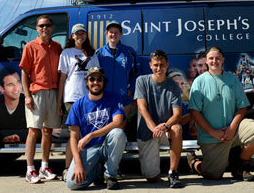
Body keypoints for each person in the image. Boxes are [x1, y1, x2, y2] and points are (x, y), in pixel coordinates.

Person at [188, 46, 254, 181]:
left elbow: (242, 107)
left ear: (223, 59)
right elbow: (195, 112)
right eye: (211, 58)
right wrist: (214, 132)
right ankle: (194, 162)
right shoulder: (199, 82)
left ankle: (241, 163)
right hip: (211, 137)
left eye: (217, 58)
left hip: (232, 132)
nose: (214, 61)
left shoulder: (232, 79)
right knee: (214, 175)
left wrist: (232, 128)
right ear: (206, 61)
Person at [65, 66, 127, 190]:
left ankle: (110, 176)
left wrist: (90, 135)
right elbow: (73, 137)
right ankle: (97, 171)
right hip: (89, 149)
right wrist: (78, 164)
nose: (95, 82)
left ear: (104, 82)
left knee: (118, 133)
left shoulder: (114, 98)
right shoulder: (78, 105)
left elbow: (118, 122)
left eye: (99, 79)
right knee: (72, 183)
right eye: (92, 79)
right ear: (87, 82)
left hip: (106, 146)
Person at [19, 15, 62, 184]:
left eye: (48, 25)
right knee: (33, 131)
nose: (45, 28)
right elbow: (24, 72)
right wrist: (27, 96)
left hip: (53, 92)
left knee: (48, 131)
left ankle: (44, 167)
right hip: (36, 93)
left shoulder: (57, 47)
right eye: (42, 25)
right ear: (37, 28)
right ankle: (30, 170)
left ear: (52, 27)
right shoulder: (30, 47)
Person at [135, 50, 184, 188]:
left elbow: (177, 114)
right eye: (155, 65)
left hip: (165, 129)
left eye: (162, 65)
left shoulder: (173, 85)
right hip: (147, 131)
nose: (159, 68)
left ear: (167, 64)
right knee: (152, 178)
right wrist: (154, 128)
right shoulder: (142, 81)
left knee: (177, 129)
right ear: (150, 65)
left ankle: (173, 173)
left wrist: (165, 126)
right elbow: (142, 108)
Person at [58, 23, 99, 180]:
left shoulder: (92, 54)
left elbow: (96, 78)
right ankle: (67, 168)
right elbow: (62, 79)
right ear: (72, 36)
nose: (80, 36)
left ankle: (88, 166)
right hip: (72, 99)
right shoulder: (66, 53)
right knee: (73, 135)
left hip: (88, 99)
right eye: (77, 34)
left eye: (82, 33)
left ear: (86, 35)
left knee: (88, 134)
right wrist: (59, 103)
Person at [96, 20, 139, 120]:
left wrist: (131, 90)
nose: (113, 34)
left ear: (121, 34)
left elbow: (137, 73)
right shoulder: (99, 53)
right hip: (104, 98)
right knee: (105, 128)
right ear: (106, 33)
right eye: (111, 32)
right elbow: (94, 76)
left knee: (120, 128)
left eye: (116, 32)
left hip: (124, 99)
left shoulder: (129, 52)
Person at [0, 67, 26, 143]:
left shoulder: (27, 102)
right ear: (1, 88)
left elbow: (37, 131)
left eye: (18, 82)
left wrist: (19, 137)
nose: (16, 88)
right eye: (11, 84)